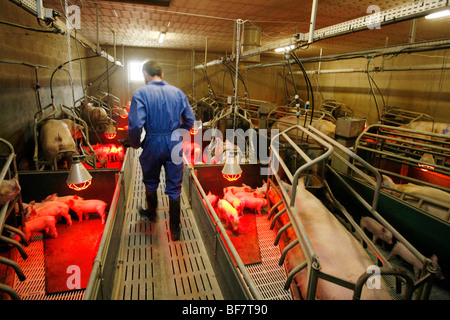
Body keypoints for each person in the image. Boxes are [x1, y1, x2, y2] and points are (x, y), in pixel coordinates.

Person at [128, 61, 195, 241]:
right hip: (174, 142)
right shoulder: (178, 92)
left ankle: (152, 214)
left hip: (152, 141)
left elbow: (135, 125)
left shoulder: (140, 93)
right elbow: (190, 120)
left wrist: (135, 142)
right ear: (162, 74)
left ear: (145, 74)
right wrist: (178, 131)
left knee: (150, 181)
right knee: (175, 186)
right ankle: (175, 229)